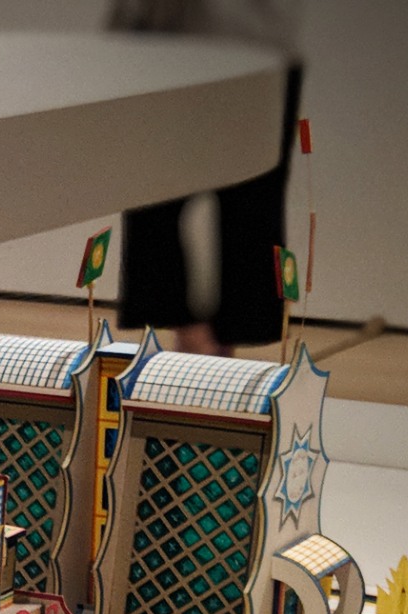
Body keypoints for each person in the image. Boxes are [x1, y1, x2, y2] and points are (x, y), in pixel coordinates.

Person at [109, 0, 302, 355]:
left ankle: (213, 342)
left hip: (226, 48)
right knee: (155, 199)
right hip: (195, 48)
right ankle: (196, 336)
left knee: (247, 205)